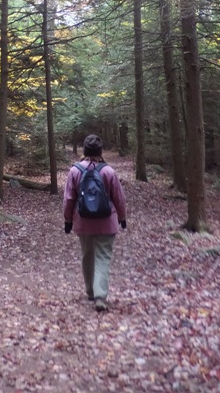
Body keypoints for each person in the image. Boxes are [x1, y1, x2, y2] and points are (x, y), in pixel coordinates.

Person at [63, 134, 127, 312]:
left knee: (87, 256)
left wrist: (68, 219)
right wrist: (122, 218)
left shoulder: (75, 171)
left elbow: (69, 198)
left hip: (83, 222)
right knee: (103, 258)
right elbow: (119, 198)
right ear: (100, 152)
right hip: (107, 223)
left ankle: (91, 291)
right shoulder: (108, 172)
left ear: (85, 150)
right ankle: (100, 295)